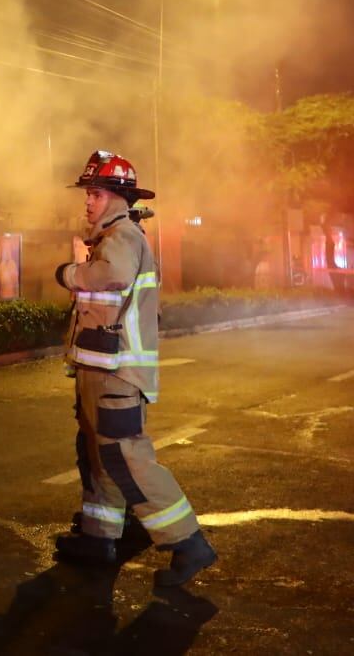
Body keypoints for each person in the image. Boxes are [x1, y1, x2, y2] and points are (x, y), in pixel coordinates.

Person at [53, 150, 217, 587]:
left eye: (95, 193)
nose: (87, 202)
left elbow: (111, 276)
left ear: (116, 197)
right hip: (100, 370)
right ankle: (99, 536)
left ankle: (188, 543)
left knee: (127, 458)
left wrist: (69, 273)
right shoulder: (111, 236)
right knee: (99, 457)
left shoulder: (122, 237)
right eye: (87, 193)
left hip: (117, 374)